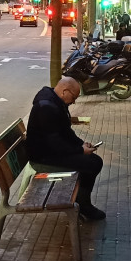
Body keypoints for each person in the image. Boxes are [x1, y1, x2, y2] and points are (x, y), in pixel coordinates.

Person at [26, 77, 106, 221]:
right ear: (64, 91)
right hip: (43, 158)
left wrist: (81, 145)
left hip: (50, 152)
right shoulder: (47, 108)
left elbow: (65, 133)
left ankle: (82, 203)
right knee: (92, 164)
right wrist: (80, 151)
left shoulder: (55, 102)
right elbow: (55, 143)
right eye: (73, 97)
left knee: (93, 162)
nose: (74, 101)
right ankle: (84, 206)